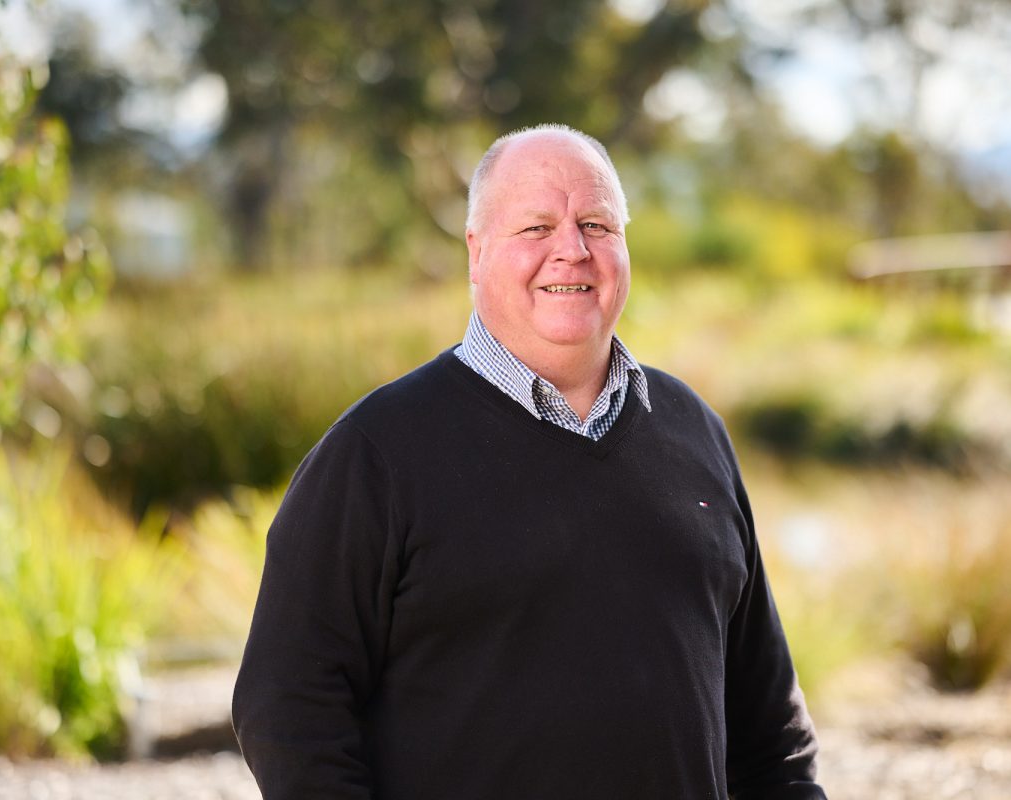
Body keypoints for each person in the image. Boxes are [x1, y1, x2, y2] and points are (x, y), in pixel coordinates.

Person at [232, 123, 826, 799]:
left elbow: (770, 729)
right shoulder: (375, 454)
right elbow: (287, 709)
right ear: (476, 251)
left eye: (597, 225)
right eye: (536, 228)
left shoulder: (694, 430)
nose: (572, 250)